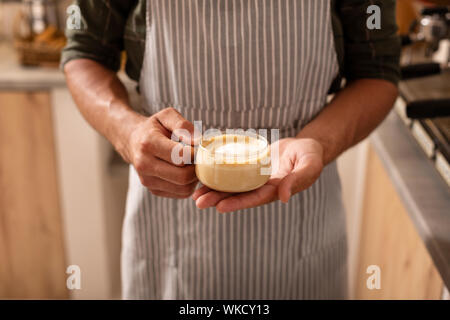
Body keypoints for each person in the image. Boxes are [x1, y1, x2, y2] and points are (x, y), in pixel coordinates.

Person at [62, 0, 400, 299]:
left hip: (299, 209)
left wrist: (320, 143)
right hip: (168, 226)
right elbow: (84, 52)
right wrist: (128, 132)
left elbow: (377, 71)